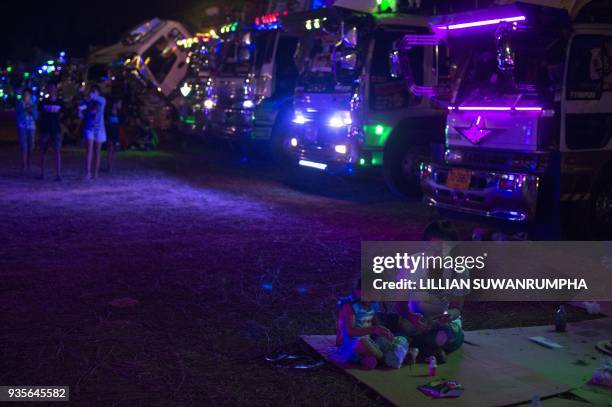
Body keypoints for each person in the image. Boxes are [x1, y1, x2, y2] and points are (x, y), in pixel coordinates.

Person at [394, 221, 465, 364]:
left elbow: (457, 307)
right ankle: (429, 349)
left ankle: (417, 348)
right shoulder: (412, 264)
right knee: (406, 327)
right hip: (414, 319)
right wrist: (414, 318)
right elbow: (400, 305)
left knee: (447, 334)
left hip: (440, 323)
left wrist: (449, 315)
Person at [333, 279, 394, 369]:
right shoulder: (349, 305)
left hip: (367, 339)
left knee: (386, 340)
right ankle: (387, 358)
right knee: (361, 343)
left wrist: (384, 332)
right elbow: (350, 331)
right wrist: (373, 329)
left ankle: (366, 358)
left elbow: (375, 324)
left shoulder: (372, 304)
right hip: (350, 342)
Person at [39, 83, 65, 180]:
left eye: (53, 88)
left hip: (56, 129)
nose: (51, 90)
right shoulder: (43, 102)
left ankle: (58, 174)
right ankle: (42, 173)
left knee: (57, 151)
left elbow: (63, 114)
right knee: (43, 151)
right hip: (45, 129)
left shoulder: (60, 102)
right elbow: (40, 116)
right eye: (50, 88)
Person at [83, 85, 106, 179]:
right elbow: (81, 111)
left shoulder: (102, 100)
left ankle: (95, 173)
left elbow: (96, 98)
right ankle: (87, 172)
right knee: (89, 150)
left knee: (97, 151)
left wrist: (86, 94)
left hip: (99, 129)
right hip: (89, 128)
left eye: (94, 91)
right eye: (92, 91)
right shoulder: (88, 102)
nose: (92, 93)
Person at [15, 88, 38, 172]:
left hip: (31, 126)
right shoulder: (19, 104)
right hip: (22, 126)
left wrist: (31, 110)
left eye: (27, 95)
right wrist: (24, 110)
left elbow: (36, 116)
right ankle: (24, 164)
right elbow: (17, 114)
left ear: (30, 96)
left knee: (31, 145)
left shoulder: (33, 104)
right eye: (24, 95)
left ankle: (29, 162)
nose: (25, 96)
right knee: (23, 145)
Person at [105, 98, 122, 172]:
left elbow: (119, 125)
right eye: (119, 103)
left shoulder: (120, 113)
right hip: (110, 133)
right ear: (115, 104)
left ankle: (111, 165)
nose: (120, 105)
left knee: (115, 150)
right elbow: (108, 123)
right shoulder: (108, 113)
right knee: (110, 149)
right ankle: (109, 166)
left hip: (116, 133)